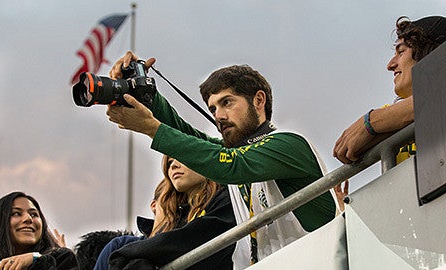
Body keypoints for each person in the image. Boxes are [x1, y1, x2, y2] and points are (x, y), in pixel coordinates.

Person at [106, 53, 336, 266]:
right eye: (213, 108)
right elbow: (189, 137)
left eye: (227, 102)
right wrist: (143, 93)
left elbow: (230, 164)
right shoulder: (237, 153)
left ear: (258, 100)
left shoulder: (289, 144)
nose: (219, 116)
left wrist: (152, 129)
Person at [333, 15, 446, 164]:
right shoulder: (389, 113)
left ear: (430, 54)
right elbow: (350, 149)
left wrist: (371, 122)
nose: (390, 65)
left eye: (401, 52)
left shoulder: (378, 118)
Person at [108, 156, 236, 270]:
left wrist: (125, 254)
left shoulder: (227, 198)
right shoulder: (179, 216)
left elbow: (186, 240)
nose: (174, 165)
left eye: (181, 157)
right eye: (169, 163)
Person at [0, 191, 78, 270]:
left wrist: (36, 259)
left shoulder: (62, 259)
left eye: (34, 214)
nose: (28, 219)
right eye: (16, 213)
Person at [92, 178, 168, 270]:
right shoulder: (119, 245)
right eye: (169, 197)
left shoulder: (186, 255)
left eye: (183, 201)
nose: (175, 205)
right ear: (153, 205)